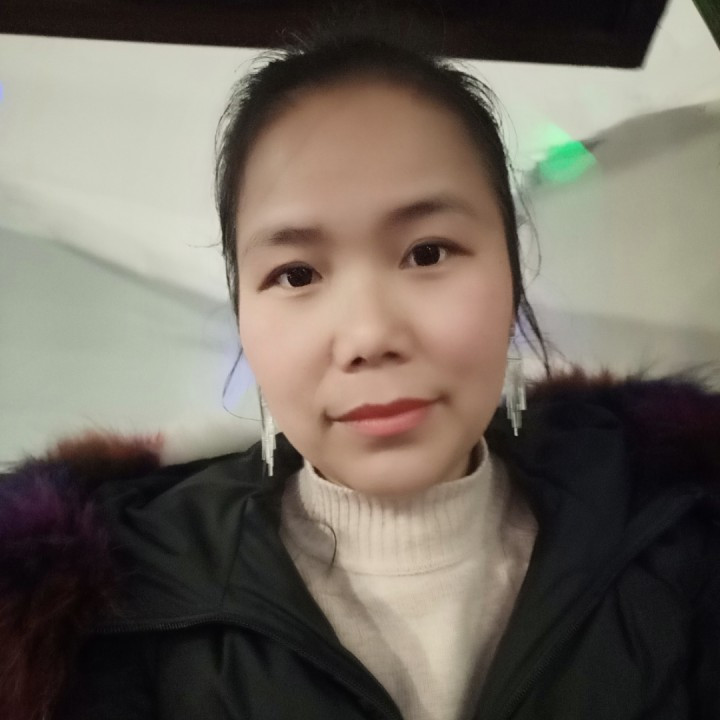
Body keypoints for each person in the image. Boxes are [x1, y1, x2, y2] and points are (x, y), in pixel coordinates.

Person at [1, 16, 719, 720]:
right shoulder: (98, 613)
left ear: (512, 271)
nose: (369, 335)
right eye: (297, 273)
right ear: (243, 311)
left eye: (427, 253)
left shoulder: (682, 540)